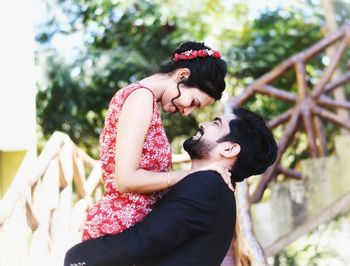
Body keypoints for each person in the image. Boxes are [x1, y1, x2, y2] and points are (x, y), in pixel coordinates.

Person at [65, 108, 278, 266]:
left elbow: (143, 241)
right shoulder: (216, 190)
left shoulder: (208, 185)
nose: (204, 124)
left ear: (230, 149)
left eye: (216, 123)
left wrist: (78, 256)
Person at [81, 41, 232, 241]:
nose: (187, 113)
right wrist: (195, 173)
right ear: (182, 75)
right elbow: (126, 180)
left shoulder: (146, 101)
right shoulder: (140, 98)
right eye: (193, 102)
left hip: (136, 231)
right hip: (122, 232)